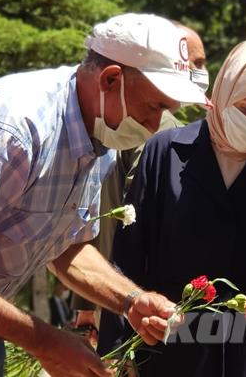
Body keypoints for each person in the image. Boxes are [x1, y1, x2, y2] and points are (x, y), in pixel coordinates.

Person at [0, 13, 208, 377]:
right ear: (111, 79)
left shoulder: (101, 135)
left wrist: (130, 300)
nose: (154, 126)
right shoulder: (13, 132)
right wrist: (44, 341)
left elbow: (67, 248)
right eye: (154, 107)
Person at [98, 39, 246, 376]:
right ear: (225, 90)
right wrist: (114, 354)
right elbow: (128, 257)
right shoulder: (165, 151)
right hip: (166, 347)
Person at [68, 22, 209, 323]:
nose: (201, 72)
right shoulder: (153, 129)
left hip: (116, 295)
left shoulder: (114, 119)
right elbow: (132, 217)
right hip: (138, 303)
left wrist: (86, 307)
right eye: (195, 63)